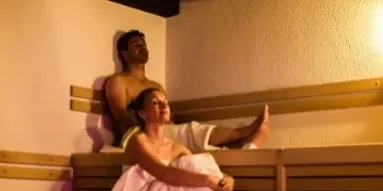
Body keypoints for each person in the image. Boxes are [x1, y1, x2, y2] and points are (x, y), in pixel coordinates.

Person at [97, 87, 261, 191]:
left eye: (165, 102)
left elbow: (201, 170)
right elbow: (164, 173)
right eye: (155, 102)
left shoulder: (176, 147)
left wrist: (228, 180)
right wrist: (208, 180)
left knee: (194, 163)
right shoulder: (138, 142)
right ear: (142, 114)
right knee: (186, 174)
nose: (164, 106)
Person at [103, 30, 269, 151]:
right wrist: (153, 122)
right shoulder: (118, 81)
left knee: (190, 144)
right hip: (138, 135)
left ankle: (246, 148)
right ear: (124, 54)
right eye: (136, 44)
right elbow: (121, 117)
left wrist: (167, 123)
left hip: (163, 131)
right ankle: (241, 133)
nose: (143, 47)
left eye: (144, 44)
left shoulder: (156, 86)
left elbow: (168, 118)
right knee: (188, 131)